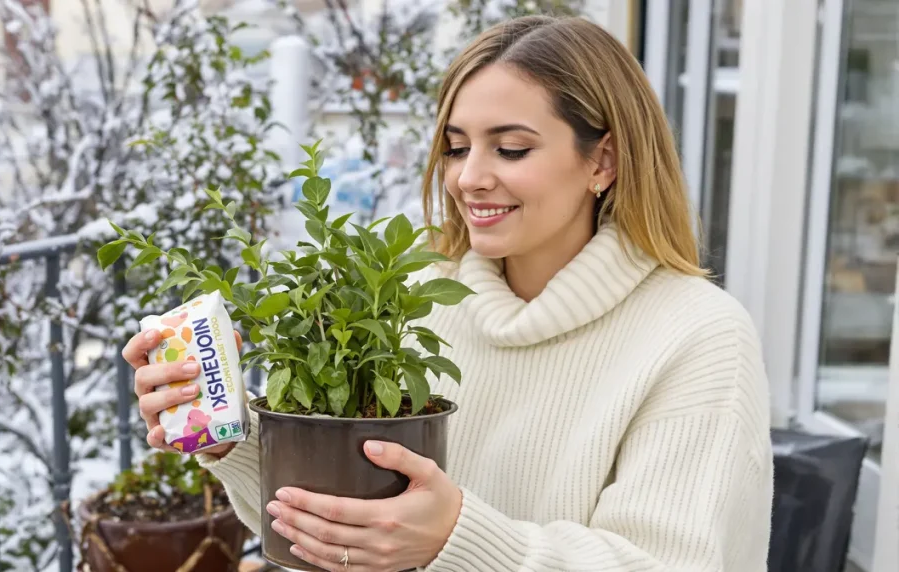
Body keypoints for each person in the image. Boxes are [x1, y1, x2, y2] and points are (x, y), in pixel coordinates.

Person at [122, 14, 773, 572]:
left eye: (511, 149)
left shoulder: (696, 337)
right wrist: (232, 441)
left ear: (602, 162)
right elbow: (349, 527)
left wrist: (457, 538)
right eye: (457, 148)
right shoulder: (416, 296)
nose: (468, 178)